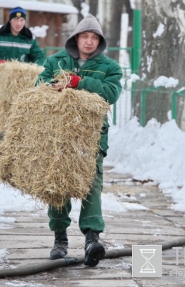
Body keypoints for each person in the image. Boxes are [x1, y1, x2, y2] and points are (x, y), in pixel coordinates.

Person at [37, 14, 123, 266]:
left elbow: (110, 94)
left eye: (94, 37)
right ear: (76, 38)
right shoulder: (56, 61)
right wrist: (58, 83)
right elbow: (39, 83)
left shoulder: (110, 67)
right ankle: (60, 239)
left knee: (92, 184)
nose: (89, 41)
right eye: (85, 36)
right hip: (58, 136)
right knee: (57, 184)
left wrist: (81, 82)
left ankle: (92, 239)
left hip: (92, 137)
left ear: (100, 41)